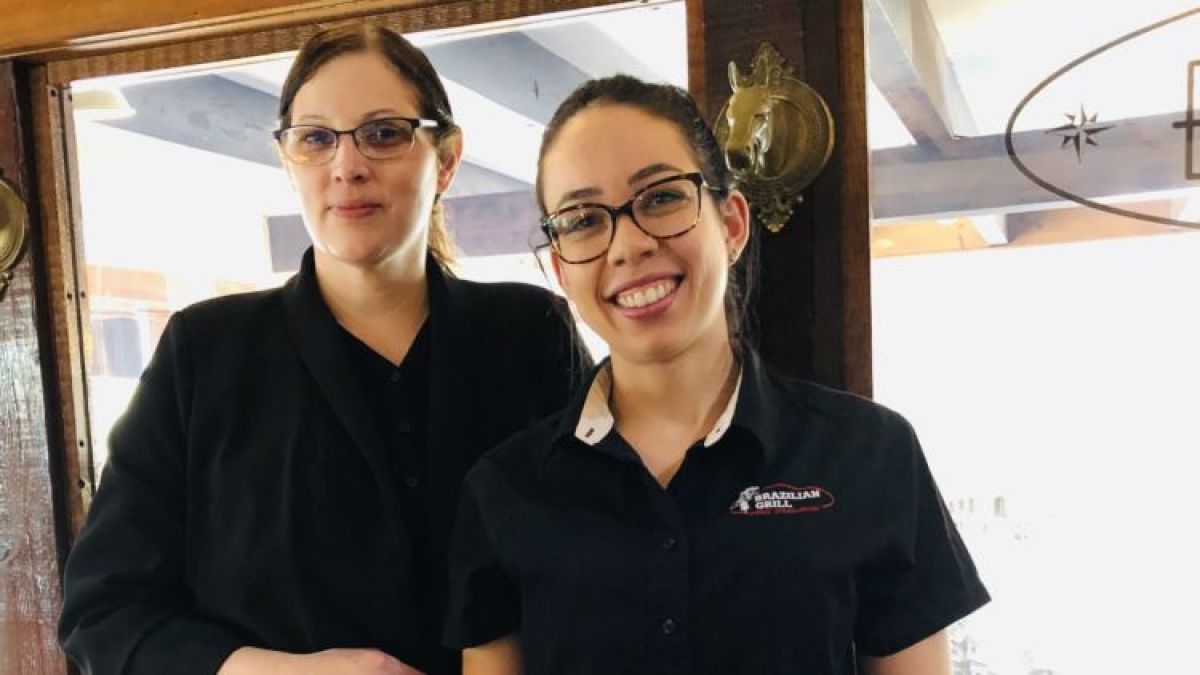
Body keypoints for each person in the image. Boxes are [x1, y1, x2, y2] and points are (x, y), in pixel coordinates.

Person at [58, 24, 588, 675]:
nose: (347, 165)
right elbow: (102, 612)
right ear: (288, 161)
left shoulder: (529, 332)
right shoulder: (204, 353)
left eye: (384, 133)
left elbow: (607, 555)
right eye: (315, 139)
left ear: (446, 159)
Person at [443, 75, 990, 675]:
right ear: (559, 268)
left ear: (730, 224)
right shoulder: (504, 491)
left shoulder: (871, 454)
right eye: (582, 220)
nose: (627, 246)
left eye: (660, 198)